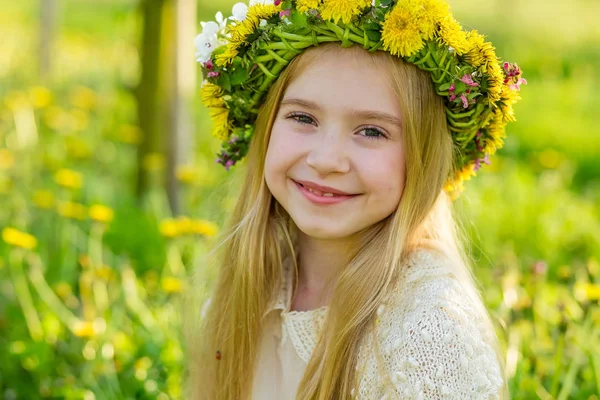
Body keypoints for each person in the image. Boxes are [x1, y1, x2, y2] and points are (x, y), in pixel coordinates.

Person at [185, 0, 526, 399]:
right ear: (267, 127)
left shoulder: (429, 333)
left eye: (371, 131)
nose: (326, 160)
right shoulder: (256, 282)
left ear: (423, 158)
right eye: (303, 118)